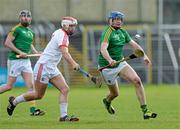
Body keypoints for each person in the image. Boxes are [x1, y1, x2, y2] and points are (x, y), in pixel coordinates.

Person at [7, 16, 80, 122]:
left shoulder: (60, 33)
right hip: (44, 67)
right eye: (72, 26)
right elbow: (64, 52)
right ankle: (14, 102)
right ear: (65, 25)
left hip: (51, 67)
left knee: (65, 89)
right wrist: (73, 63)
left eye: (74, 26)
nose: (74, 28)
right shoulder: (62, 35)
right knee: (38, 95)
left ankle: (63, 116)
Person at [98, 11, 157, 119]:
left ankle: (145, 111)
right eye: (116, 19)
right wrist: (110, 59)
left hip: (120, 63)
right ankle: (107, 101)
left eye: (120, 19)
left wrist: (145, 56)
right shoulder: (107, 32)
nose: (118, 21)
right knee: (115, 94)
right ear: (110, 20)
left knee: (137, 81)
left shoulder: (123, 32)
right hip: (107, 67)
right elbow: (103, 49)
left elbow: (134, 45)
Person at [0, 10, 45, 116]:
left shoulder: (30, 32)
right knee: (9, 86)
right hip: (15, 61)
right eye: (23, 16)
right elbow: (7, 43)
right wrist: (20, 52)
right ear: (20, 18)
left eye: (28, 16)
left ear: (30, 19)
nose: (25, 18)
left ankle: (33, 110)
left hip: (26, 62)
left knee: (31, 87)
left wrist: (37, 53)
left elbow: (29, 45)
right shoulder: (16, 29)